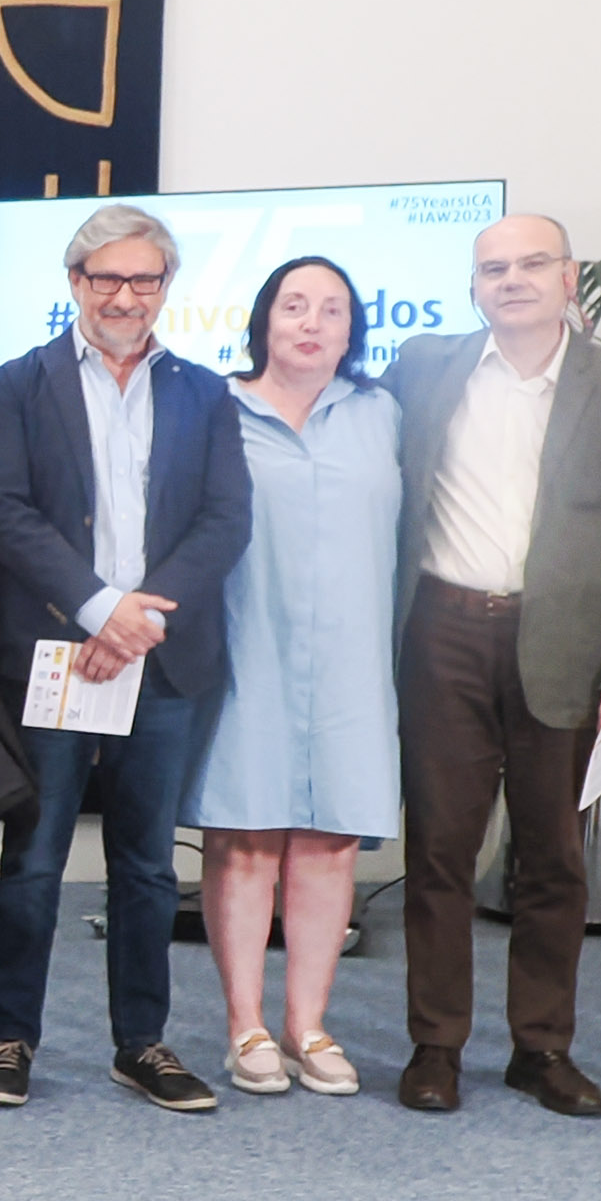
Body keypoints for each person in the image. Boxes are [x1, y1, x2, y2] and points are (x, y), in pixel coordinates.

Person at [381, 214, 601, 1118]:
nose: (511, 280)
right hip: (442, 633)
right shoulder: (424, 368)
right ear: (474, 286)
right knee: (438, 849)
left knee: (553, 858)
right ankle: (436, 1046)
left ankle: (541, 1048)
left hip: (566, 644)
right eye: (492, 267)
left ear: (567, 277)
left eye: (530, 264)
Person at [0, 201, 251, 1113]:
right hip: (56, 655)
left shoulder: (206, 393)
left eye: (145, 279)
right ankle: (10, 1037)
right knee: (35, 863)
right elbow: (6, 512)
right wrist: (99, 610)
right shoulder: (17, 385)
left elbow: (224, 520)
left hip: (162, 661)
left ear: (166, 288)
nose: (126, 295)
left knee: (146, 867)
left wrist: (141, 619)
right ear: (76, 285)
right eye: (108, 278)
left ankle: (144, 1043)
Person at [193, 255, 404, 1097]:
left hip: (352, 659)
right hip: (248, 645)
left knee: (329, 842)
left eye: (332, 310)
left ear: (353, 330)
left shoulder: (384, 413)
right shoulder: (217, 408)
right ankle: (245, 1024)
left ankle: (308, 1025)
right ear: (263, 320)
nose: (312, 323)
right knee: (245, 836)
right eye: (294, 306)